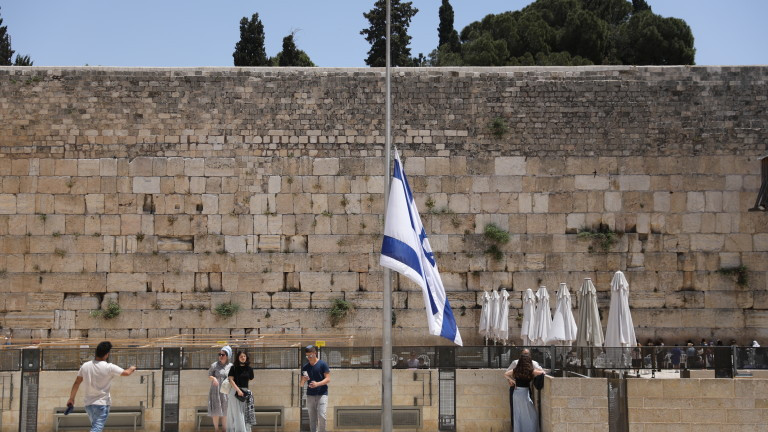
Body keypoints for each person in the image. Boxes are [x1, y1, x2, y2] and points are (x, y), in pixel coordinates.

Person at [67, 341, 137, 432]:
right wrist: (132, 368)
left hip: (88, 404)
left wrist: (71, 398)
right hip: (101, 404)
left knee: (95, 427)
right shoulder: (109, 367)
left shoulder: (85, 366)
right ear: (107, 354)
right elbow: (126, 373)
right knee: (96, 429)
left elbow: (77, 383)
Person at [504, 349, 543, 429]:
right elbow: (542, 372)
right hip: (524, 394)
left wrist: (513, 381)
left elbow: (506, 374)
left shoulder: (516, 369)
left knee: (518, 414)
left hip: (516, 393)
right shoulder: (531, 370)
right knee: (532, 415)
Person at [300, 345, 331, 432]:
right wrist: (303, 380)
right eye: (307, 356)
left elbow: (328, 379)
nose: (309, 358)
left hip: (322, 394)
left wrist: (317, 384)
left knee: (322, 416)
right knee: (312, 417)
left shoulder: (323, 364)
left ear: (315, 353)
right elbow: (301, 384)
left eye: (311, 355)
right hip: (310, 395)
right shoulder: (305, 367)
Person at [227, 350, 254, 432]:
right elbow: (231, 380)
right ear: (238, 358)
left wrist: (246, 391)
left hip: (244, 393)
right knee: (238, 414)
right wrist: (238, 390)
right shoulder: (233, 368)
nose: (243, 358)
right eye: (241, 356)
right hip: (235, 392)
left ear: (246, 357)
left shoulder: (249, 369)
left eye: (244, 356)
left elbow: (249, 379)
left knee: (245, 414)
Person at [208, 345, 232, 432]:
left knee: (225, 411)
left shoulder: (231, 366)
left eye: (223, 354)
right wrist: (214, 378)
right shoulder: (214, 365)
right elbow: (209, 375)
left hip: (226, 391)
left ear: (228, 356)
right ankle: (216, 429)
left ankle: (224, 430)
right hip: (215, 390)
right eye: (220, 354)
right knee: (216, 410)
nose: (221, 356)